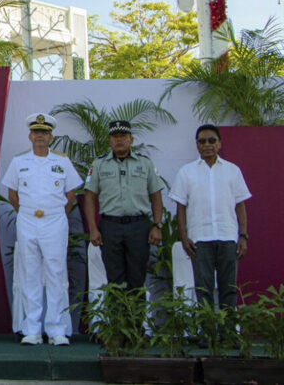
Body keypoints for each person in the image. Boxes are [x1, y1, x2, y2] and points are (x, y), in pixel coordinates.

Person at [1, 113, 82, 346]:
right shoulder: (19, 161)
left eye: (44, 133)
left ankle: (57, 329)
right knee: (30, 274)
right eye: (36, 132)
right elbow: (12, 195)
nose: (39, 136)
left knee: (56, 274)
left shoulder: (62, 161)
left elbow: (71, 196)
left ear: (51, 137)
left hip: (55, 220)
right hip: (27, 220)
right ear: (29, 136)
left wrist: (55, 215)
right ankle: (32, 329)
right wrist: (28, 213)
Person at [169, 124, 251, 314]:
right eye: (202, 141)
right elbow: (180, 208)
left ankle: (228, 333)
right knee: (203, 289)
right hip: (200, 239)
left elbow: (240, 205)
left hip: (227, 237)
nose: (207, 145)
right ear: (196, 145)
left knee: (228, 289)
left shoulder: (233, 171)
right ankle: (206, 334)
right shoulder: (186, 172)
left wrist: (243, 235)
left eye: (212, 140)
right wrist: (183, 237)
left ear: (220, 143)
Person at [84, 120, 164, 292]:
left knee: (137, 279)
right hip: (110, 228)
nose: (119, 140)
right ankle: (117, 319)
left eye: (123, 136)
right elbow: (90, 197)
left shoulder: (145, 164)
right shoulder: (98, 164)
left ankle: (135, 319)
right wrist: (93, 229)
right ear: (109, 140)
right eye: (115, 136)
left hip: (138, 227)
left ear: (131, 140)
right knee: (114, 281)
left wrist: (157, 225)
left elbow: (156, 195)